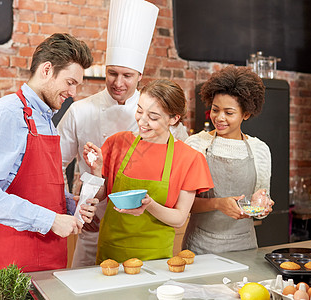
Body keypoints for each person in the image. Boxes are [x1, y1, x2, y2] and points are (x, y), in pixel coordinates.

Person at [58, 0, 188, 267]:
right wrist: (72, 205)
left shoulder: (158, 109)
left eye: (127, 75)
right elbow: (54, 163)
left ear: (140, 75)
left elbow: (181, 159)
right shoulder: (80, 111)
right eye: (112, 73)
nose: (118, 83)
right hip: (91, 220)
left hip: (146, 226)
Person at [0, 33, 97, 274]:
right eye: (70, 82)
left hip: (52, 257)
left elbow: (39, 187)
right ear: (47, 70)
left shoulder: (46, 119)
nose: (74, 92)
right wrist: (50, 220)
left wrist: (68, 205)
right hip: (16, 262)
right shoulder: (6, 113)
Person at [83, 79, 213, 264]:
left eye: (153, 117)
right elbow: (102, 196)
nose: (142, 122)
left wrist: (149, 205)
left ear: (174, 118)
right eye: (139, 111)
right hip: (111, 252)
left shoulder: (190, 158)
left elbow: (179, 218)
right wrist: (96, 172)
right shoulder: (117, 143)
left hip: (156, 257)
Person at [182, 66, 275, 254]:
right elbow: (182, 205)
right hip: (200, 246)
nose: (219, 118)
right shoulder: (196, 145)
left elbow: (260, 200)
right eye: (215, 110)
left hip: (245, 246)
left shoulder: (260, 150)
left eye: (229, 112)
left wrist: (263, 205)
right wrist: (218, 203)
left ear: (246, 114)